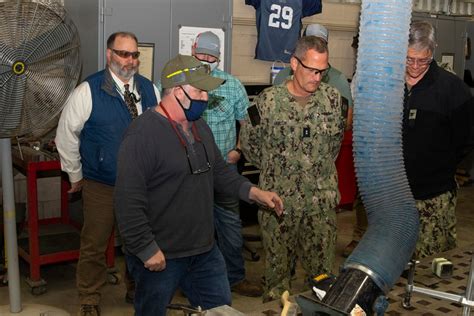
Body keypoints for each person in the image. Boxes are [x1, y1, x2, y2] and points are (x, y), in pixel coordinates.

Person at [114, 54, 284, 315]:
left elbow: (219, 171)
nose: (205, 97)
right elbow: (127, 201)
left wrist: (253, 192)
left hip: (204, 250)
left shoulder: (199, 127)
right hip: (162, 254)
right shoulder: (142, 135)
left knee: (220, 310)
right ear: (177, 91)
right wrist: (146, 249)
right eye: (200, 90)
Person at [55, 31, 161, 316]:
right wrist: (75, 175)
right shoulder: (87, 91)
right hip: (102, 184)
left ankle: (136, 288)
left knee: (139, 241)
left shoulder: (150, 90)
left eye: (134, 55)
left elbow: (159, 133)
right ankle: (89, 299)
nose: (130, 60)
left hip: (141, 185)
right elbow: (66, 135)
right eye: (123, 54)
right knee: (95, 243)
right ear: (109, 54)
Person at [240, 36, 345, 302]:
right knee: (277, 283)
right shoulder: (268, 102)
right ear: (294, 63)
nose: (318, 77)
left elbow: (334, 146)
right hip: (279, 206)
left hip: (320, 206)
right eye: (312, 69)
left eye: (323, 71)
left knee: (323, 280)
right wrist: (280, 174)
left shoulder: (333, 100)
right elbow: (251, 147)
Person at [190, 31, 262, 296]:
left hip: (224, 169)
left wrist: (239, 149)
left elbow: (251, 122)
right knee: (193, 226)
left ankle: (235, 277)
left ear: (219, 57)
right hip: (189, 171)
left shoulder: (232, 85)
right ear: (193, 51)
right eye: (202, 55)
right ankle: (192, 281)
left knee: (230, 225)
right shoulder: (183, 82)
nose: (206, 60)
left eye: (211, 56)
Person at [403, 21, 473, 258]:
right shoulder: (388, 85)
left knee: (431, 266)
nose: (414, 66)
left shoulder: (452, 89)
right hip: (395, 193)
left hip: (434, 195)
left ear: (433, 52)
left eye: (422, 60)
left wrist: (441, 165)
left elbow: (466, 139)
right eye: (409, 59)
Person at [273, 23, 352, 131]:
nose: (317, 78)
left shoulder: (338, 80)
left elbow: (346, 123)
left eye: (321, 44)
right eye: (311, 43)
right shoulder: (282, 76)